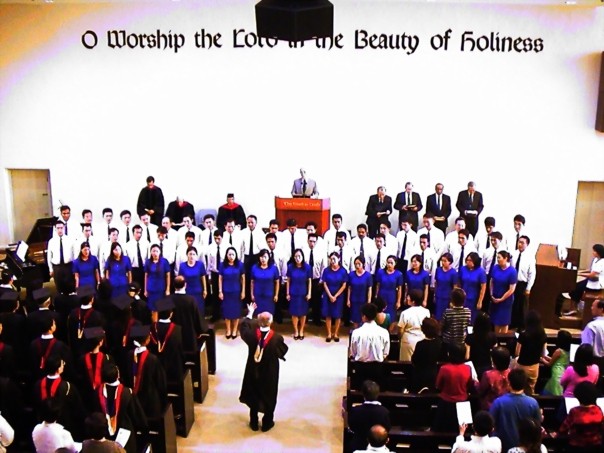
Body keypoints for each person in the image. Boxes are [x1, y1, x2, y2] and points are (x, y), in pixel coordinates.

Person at [239, 303, 288, 432]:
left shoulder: (251, 335)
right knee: (270, 394)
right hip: (269, 371)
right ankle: (267, 422)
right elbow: (282, 352)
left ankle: (254, 422)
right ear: (271, 322)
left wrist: (250, 313)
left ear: (258, 322)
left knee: (254, 393)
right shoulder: (277, 338)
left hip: (253, 369)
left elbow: (244, 327)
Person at [490, 369, 541, 452]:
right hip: (526, 448)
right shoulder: (533, 403)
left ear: (509, 383)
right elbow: (537, 424)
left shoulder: (498, 402)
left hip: (503, 447)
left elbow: (491, 424)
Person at [433, 343, 476, 432]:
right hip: (463, 402)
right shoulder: (468, 368)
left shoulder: (444, 368)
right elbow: (469, 385)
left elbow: (438, 385)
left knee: (442, 432)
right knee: (464, 431)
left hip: (445, 403)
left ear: (449, 354)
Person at [347, 381, 391, 453]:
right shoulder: (384, 412)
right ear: (377, 394)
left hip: (358, 444)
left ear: (363, 394)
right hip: (378, 445)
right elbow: (387, 429)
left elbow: (352, 427)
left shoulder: (356, 410)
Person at [559, 381, 603, 452]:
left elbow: (563, 429)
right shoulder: (598, 409)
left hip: (577, 447)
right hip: (596, 447)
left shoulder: (575, 411)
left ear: (578, 396)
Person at [515, 310, 547, 394]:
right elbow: (543, 354)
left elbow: (517, 353)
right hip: (534, 367)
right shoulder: (543, 335)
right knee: (531, 389)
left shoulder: (523, 335)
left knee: (519, 388)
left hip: (522, 366)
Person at [566, 244, 604, 315]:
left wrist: (579, 274)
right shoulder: (595, 259)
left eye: (594, 251)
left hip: (597, 283)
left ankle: (575, 308)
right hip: (590, 280)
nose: (593, 252)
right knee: (574, 287)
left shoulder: (602, 262)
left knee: (576, 289)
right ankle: (574, 307)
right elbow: (590, 270)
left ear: (599, 252)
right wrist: (579, 271)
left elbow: (592, 275)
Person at [219, 246, 246, 338]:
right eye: (229, 254)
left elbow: (243, 278)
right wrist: (220, 291)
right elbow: (220, 278)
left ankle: (234, 330)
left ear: (236, 255)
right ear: (226, 255)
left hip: (236, 291)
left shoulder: (240, 265)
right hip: (226, 292)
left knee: (236, 311)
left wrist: (243, 291)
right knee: (227, 311)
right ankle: (228, 329)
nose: (231, 256)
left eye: (233, 254)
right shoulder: (222, 265)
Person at [510, 236, 536, 329]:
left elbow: (532, 274)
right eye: (519, 242)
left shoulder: (530, 257)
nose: (520, 244)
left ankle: (522, 326)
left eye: (522, 243)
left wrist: (528, 288)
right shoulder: (513, 254)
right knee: (513, 304)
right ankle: (512, 323)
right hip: (513, 282)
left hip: (522, 283)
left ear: (527, 244)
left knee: (522, 306)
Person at [322, 251, 348, 342]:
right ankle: (329, 333)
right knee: (328, 314)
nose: (332, 261)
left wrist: (335, 296)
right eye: (331, 259)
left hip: (339, 295)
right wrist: (330, 295)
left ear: (339, 259)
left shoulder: (343, 271)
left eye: (334, 259)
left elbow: (344, 285)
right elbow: (324, 283)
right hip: (328, 294)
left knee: (338, 315)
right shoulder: (326, 270)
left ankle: (336, 333)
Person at [410, 317, 442, 392]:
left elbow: (414, 360)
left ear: (423, 329)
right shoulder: (439, 343)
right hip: (434, 373)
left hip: (420, 375)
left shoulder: (420, 344)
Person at [286, 248, 312, 339]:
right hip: (293, 292)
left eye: (299, 256)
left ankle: (301, 330)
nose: (297, 258)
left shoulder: (307, 267)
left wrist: (309, 293)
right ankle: (296, 331)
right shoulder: (290, 267)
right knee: (294, 313)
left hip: (303, 293)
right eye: (296, 256)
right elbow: (288, 281)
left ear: (302, 257)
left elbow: (309, 281)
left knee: (303, 313)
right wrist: (287, 293)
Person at [489, 251, 517, 333]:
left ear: (505, 258)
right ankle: (496, 338)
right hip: (495, 298)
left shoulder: (512, 271)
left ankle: (503, 337)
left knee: (503, 322)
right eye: (497, 257)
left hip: (505, 301)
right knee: (495, 321)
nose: (497, 259)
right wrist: (491, 294)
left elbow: (511, 289)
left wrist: (501, 299)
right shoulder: (495, 268)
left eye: (499, 258)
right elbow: (491, 281)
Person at [398, 289, 430, 361]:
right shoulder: (427, 312)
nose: (407, 298)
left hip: (408, 341)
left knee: (406, 363)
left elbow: (400, 330)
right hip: (422, 339)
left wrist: (400, 338)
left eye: (408, 297)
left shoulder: (405, 313)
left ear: (413, 301)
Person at [465, 312, 498, 380]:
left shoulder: (470, 337)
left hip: (474, 367)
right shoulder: (493, 336)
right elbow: (495, 352)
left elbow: (466, 356)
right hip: (487, 366)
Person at [442, 288, 472, 356]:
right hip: (461, 341)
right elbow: (468, 324)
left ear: (452, 300)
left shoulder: (448, 312)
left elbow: (443, 326)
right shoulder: (468, 312)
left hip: (448, 341)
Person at [177, 246, 207, 315]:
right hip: (187, 291)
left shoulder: (200, 265)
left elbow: (203, 277)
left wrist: (205, 290)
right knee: (188, 311)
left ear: (196, 255)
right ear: (187, 255)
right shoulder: (182, 265)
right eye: (190, 254)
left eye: (193, 254)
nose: (192, 256)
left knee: (199, 310)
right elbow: (180, 279)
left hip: (198, 291)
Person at [47, 220, 75, 294]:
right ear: (55, 229)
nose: (60, 230)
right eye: (58, 228)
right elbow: (49, 256)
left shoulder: (70, 240)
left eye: (61, 228)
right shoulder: (51, 241)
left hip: (68, 266)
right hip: (57, 267)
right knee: (59, 287)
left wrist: (75, 267)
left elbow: (74, 254)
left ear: (64, 228)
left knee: (70, 286)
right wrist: (50, 269)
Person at [541, 330, 571, 396]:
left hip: (556, 374)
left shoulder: (558, 351)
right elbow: (558, 361)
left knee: (556, 394)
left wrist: (542, 360)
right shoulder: (568, 351)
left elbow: (549, 364)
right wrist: (546, 357)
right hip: (563, 372)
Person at [459, 252, 487, 323]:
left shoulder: (481, 271)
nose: (468, 262)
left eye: (470, 260)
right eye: (467, 260)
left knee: (472, 319)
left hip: (474, 300)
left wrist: (480, 301)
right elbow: (459, 283)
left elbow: (483, 287)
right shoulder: (463, 269)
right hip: (463, 298)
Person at [375, 255, 403, 324]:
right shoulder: (380, 272)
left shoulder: (399, 274)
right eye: (388, 262)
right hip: (381, 295)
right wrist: (376, 295)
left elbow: (400, 289)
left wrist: (398, 301)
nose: (389, 264)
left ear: (395, 264)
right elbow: (378, 285)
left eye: (391, 263)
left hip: (392, 297)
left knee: (391, 317)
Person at [347, 255, 373, 329]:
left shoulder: (368, 275)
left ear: (363, 264)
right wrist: (348, 299)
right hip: (354, 300)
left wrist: (369, 301)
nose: (357, 266)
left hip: (363, 300)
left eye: (359, 264)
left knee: (363, 318)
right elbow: (349, 288)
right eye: (355, 264)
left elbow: (369, 289)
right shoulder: (351, 275)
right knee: (355, 318)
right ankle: (355, 332)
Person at [143, 243, 170, 311]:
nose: (155, 253)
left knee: (160, 307)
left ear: (160, 252)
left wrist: (168, 289)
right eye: (153, 251)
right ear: (151, 252)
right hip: (151, 288)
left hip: (161, 288)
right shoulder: (148, 262)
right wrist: (145, 290)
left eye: (157, 251)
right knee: (151, 307)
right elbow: (146, 276)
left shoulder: (164, 261)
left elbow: (168, 276)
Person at [581, 299, 604, 373]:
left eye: (593, 306)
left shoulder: (592, 326)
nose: (591, 308)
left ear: (601, 309)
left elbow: (586, 348)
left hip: (593, 363)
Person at [433, 252, 459, 321]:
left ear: (450, 262)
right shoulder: (438, 270)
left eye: (445, 261)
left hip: (447, 297)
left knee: (446, 317)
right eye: (442, 261)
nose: (443, 263)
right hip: (439, 296)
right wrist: (435, 294)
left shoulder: (453, 273)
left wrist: (453, 300)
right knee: (437, 315)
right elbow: (436, 283)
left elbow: (455, 287)